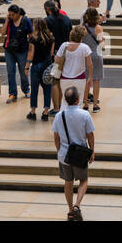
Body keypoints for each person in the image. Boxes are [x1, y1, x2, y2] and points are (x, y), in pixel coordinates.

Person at [52, 85, 96, 221]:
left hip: (65, 155)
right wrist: (92, 151)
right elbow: (90, 135)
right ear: (78, 100)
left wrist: (59, 150)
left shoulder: (59, 115)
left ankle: (70, 210)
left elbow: (56, 136)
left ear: (65, 100)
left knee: (68, 182)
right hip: (80, 155)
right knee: (83, 180)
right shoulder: (85, 115)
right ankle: (77, 205)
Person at [54, 25, 94, 113]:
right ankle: (76, 121)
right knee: (78, 102)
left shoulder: (64, 45)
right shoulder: (85, 47)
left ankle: (63, 119)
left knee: (65, 100)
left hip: (64, 78)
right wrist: (90, 77)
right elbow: (90, 64)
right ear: (82, 36)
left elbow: (56, 59)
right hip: (79, 78)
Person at [26, 17, 57, 121]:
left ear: (36, 26)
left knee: (34, 89)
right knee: (47, 88)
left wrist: (26, 67)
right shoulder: (51, 38)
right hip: (48, 65)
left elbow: (31, 54)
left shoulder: (33, 39)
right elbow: (51, 53)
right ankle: (45, 112)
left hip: (36, 65)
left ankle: (33, 111)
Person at [2, 5, 32, 103]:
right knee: (10, 72)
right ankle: (12, 93)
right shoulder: (9, 21)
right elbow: (2, 33)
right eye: (9, 15)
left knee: (23, 72)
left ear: (18, 13)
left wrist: (30, 51)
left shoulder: (26, 21)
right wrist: (7, 20)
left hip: (22, 51)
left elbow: (31, 36)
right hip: (9, 50)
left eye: (13, 15)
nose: (11, 16)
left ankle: (26, 90)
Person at [80, 7, 106, 113]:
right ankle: (95, 105)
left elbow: (80, 41)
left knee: (87, 80)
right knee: (96, 81)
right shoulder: (99, 28)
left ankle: (85, 104)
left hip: (86, 55)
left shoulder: (82, 28)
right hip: (97, 55)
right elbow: (102, 45)